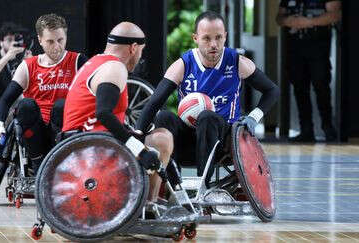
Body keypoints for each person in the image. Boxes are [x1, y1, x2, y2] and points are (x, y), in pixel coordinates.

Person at [136, 11, 280, 187]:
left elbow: (272, 90)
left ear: (225, 37)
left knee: (207, 116)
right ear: (195, 38)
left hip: (223, 143)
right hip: (188, 142)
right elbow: (154, 103)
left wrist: (253, 117)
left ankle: (202, 186)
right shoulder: (183, 64)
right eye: (206, 38)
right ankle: (173, 185)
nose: (214, 44)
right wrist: (134, 139)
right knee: (164, 117)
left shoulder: (236, 62)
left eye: (219, 37)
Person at [62, 22, 173, 203]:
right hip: (91, 147)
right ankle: (148, 205)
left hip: (81, 141)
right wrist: (141, 151)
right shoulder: (115, 67)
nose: (140, 56)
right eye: (141, 51)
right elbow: (103, 114)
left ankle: (146, 202)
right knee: (162, 140)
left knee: (153, 136)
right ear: (133, 48)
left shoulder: (95, 62)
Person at [0, 13, 88, 174]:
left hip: (63, 129)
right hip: (34, 130)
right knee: (25, 105)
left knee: (61, 105)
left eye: (61, 40)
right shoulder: (28, 66)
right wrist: (0, 124)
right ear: (40, 40)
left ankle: (57, 160)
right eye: (50, 41)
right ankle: (37, 164)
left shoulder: (79, 61)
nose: (57, 46)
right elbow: (5, 100)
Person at [276, 0, 341, 142]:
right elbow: (279, 18)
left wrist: (309, 22)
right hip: (295, 47)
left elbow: (335, 15)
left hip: (318, 46)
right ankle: (306, 130)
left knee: (321, 86)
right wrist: (288, 20)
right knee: (299, 88)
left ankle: (328, 127)